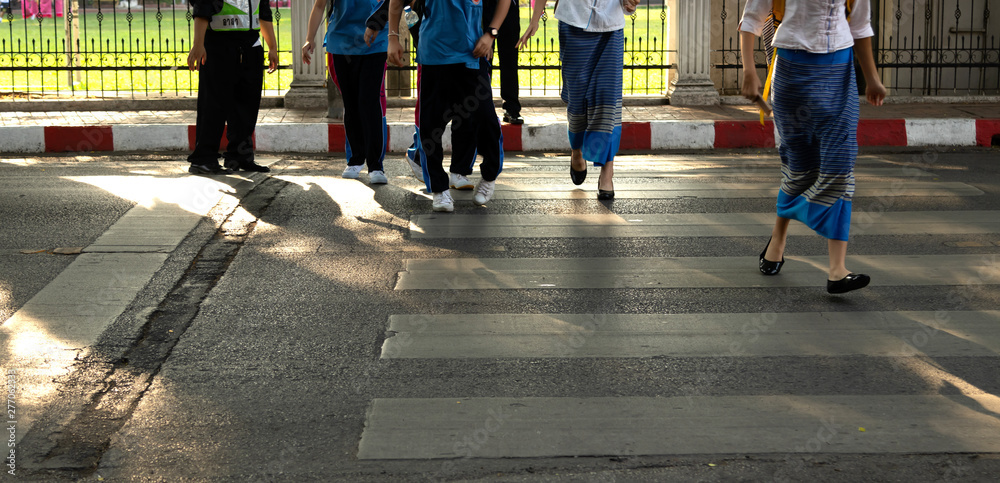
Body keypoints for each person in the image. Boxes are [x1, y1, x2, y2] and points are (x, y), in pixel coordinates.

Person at [739, 0, 886, 294]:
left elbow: (859, 26)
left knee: (840, 166)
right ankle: (777, 241)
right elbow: (751, 19)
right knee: (799, 167)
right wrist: (749, 71)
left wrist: (872, 78)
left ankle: (837, 270)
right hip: (793, 74)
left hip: (840, 73)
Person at [387, 0, 509, 212]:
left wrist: (491, 33)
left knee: (485, 120)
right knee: (430, 127)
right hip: (433, 56)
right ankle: (439, 189)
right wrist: (392, 38)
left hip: (471, 55)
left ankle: (489, 176)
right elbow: (396, 3)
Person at [519, 0, 638, 200]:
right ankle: (576, 150)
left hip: (611, 27)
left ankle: (607, 173)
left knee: (607, 100)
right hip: (573, 25)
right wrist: (535, 18)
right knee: (577, 100)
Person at [187, 0, 278, 175]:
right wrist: (198, 44)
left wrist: (272, 47)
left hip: (251, 46)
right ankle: (203, 159)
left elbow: (264, 13)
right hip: (219, 45)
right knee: (213, 105)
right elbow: (202, 8)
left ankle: (240, 157)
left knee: (247, 105)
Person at [304, 0, 390, 184]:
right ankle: (355, 160)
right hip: (342, 43)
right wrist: (309, 38)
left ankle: (375, 166)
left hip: (375, 42)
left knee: (369, 100)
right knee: (351, 103)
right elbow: (319, 6)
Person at [482, 0, 522, 125]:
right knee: (484, 59)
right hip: (483, 8)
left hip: (509, 6)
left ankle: (512, 108)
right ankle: (483, 108)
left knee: (509, 59)